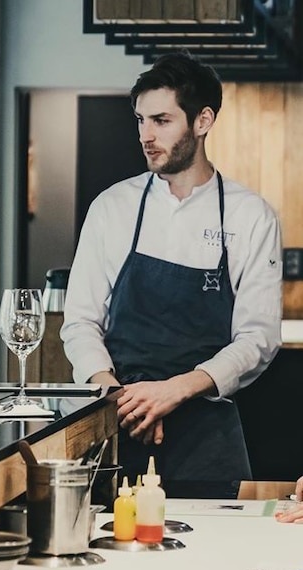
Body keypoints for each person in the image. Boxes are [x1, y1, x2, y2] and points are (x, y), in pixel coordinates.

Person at [60, 52, 282, 483]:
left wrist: (174, 390)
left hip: (205, 437)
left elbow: (259, 337)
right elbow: (80, 322)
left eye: (161, 120)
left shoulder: (251, 216)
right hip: (116, 425)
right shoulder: (111, 208)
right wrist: (118, 396)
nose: (146, 135)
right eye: (141, 120)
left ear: (202, 121)